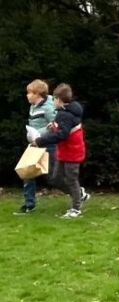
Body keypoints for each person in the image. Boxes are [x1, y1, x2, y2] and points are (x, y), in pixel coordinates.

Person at [31, 84, 91, 219]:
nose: (52, 102)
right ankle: (79, 194)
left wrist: (40, 141)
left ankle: (76, 209)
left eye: (53, 99)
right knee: (55, 178)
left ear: (58, 100)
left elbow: (62, 135)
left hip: (72, 153)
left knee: (71, 180)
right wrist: (53, 126)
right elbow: (64, 129)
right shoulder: (65, 113)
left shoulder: (66, 115)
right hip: (63, 152)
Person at [17, 80, 56, 214]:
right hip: (34, 143)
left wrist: (39, 134)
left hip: (48, 144)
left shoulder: (48, 107)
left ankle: (78, 193)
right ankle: (29, 204)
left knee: (54, 176)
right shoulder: (33, 106)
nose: (27, 95)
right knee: (27, 172)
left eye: (29, 93)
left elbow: (55, 125)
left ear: (37, 94)